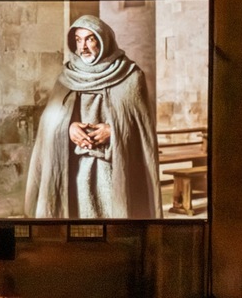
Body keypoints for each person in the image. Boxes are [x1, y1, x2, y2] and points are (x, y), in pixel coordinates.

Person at [24, 15, 161, 219]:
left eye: (90, 39)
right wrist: (68, 128)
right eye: (78, 40)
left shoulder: (131, 76)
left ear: (104, 40)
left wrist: (114, 130)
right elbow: (48, 122)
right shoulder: (67, 77)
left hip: (112, 169)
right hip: (72, 168)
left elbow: (142, 128)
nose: (83, 47)